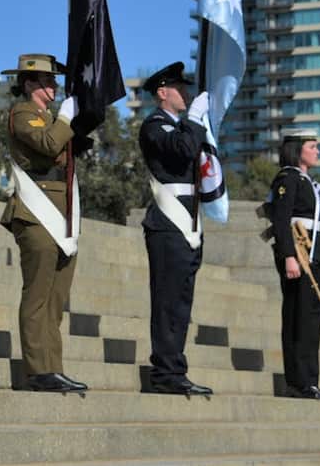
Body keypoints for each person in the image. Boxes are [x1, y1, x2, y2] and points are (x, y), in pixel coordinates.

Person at [0, 53, 88, 394]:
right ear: (29, 84)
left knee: (56, 299)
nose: (54, 87)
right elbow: (49, 144)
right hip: (36, 211)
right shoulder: (24, 112)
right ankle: (38, 370)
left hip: (62, 210)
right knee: (38, 295)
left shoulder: (49, 117)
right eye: (48, 81)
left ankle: (54, 368)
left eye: (54, 81)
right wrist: (65, 118)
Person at [138, 61, 213, 396]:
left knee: (181, 302)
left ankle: (174, 368)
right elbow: (182, 150)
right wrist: (195, 120)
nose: (186, 94)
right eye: (179, 88)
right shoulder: (154, 126)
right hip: (168, 224)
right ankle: (166, 372)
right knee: (168, 301)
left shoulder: (180, 127)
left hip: (187, 222)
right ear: (162, 92)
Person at [269, 127, 320, 400]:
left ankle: (311, 380)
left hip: (317, 257)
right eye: (312, 146)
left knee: (311, 320)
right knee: (298, 319)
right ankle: (298, 382)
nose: (317, 151)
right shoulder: (288, 178)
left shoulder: (310, 182)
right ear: (298, 150)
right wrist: (288, 257)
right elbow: (281, 220)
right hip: (298, 257)